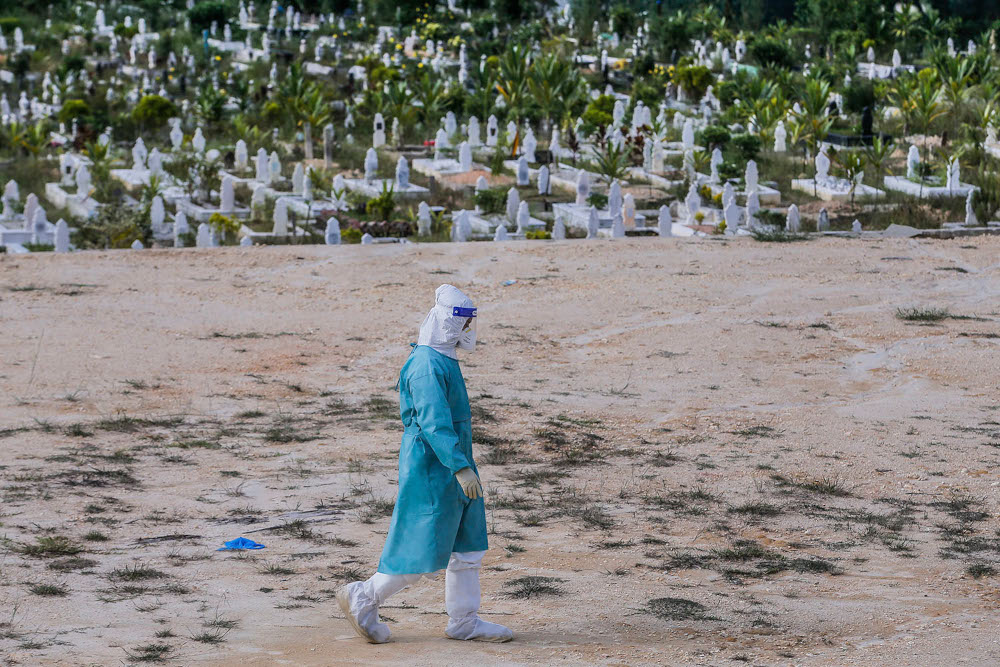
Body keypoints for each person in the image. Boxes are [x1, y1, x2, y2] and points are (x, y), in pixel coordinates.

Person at [337, 284, 513, 644]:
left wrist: (462, 464)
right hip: (434, 466)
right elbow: (433, 422)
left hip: (455, 461)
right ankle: (365, 596)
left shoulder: (442, 359)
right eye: (462, 323)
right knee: (424, 544)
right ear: (447, 322)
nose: (467, 331)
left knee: (468, 546)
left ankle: (464, 620)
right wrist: (459, 467)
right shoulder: (425, 365)